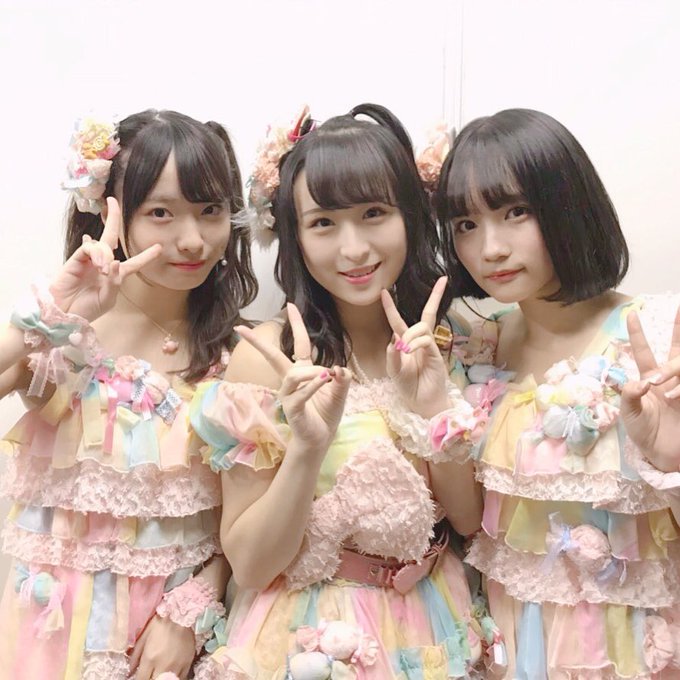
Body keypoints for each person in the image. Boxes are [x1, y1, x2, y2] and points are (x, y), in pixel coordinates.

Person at [190, 104, 495, 679]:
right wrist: (307, 448)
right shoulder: (267, 359)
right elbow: (250, 565)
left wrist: (432, 408)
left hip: (432, 622)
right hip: (309, 636)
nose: (353, 249)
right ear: (295, 236)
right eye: (324, 223)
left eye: (373, 213)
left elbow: (468, 522)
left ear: (410, 215)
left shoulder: (447, 343)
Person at [0, 110, 257, 679]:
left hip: (178, 644)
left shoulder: (241, 352)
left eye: (210, 210)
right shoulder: (65, 335)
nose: (192, 240)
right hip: (55, 639)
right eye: (161, 213)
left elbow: (246, 522)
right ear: (111, 212)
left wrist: (192, 609)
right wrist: (49, 316)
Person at [436, 107, 680, 678]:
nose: (490, 248)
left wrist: (673, 462)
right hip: (511, 642)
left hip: (630, 647)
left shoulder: (657, 335)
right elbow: (467, 524)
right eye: (466, 224)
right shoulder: (476, 347)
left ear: (568, 204)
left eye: (515, 212)